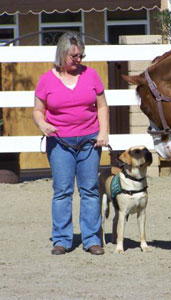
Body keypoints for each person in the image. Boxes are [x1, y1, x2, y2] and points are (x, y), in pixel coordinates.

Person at [33, 32, 109, 255]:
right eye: (74, 56)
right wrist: (43, 125)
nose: (79, 59)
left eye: (81, 55)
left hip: (89, 141)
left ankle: (92, 239)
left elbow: (102, 106)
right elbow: (38, 111)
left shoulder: (92, 75)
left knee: (90, 191)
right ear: (62, 54)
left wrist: (103, 133)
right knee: (62, 191)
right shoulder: (46, 80)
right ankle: (62, 239)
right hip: (59, 143)